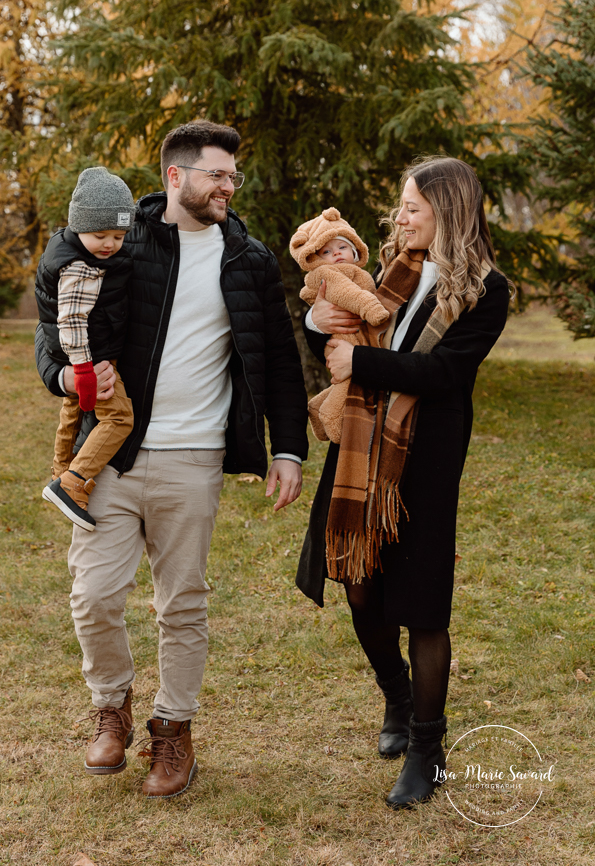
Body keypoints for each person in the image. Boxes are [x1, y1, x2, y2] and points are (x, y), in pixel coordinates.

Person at [35, 120, 308, 798]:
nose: (228, 185)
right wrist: (63, 378)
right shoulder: (124, 247)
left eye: (232, 177)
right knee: (93, 596)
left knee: (181, 604)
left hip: (193, 459)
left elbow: (278, 360)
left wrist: (290, 450)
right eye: (217, 174)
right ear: (175, 178)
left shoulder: (247, 258)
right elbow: (55, 319)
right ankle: (112, 706)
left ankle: (173, 731)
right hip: (113, 456)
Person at [296, 157, 510, 809]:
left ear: (447, 210)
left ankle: (426, 749)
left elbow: (445, 374)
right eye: (401, 205)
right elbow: (335, 326)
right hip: (361, 449)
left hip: (425, 458)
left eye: (413, 205)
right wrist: (319, 328)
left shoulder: (484, 289)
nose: (401, 215)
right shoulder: (390, 271)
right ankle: (394, 693)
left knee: (418, 606)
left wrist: (358, 358)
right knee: (360, 591)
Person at [36, 166, 136, 531]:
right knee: (119, 417)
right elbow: (72, 320)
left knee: (72, 411)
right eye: (100, 235)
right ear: (79, 226)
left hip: (79, 356)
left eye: (119, 236)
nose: (109, 244)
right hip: (88, 359)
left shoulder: (71, 249)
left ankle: (59, 469)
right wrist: (82, 370)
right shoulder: (81, 267)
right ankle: (73, 482)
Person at [289, 206, 389, 443]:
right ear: (315, 258)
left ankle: (317, 406)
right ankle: (333, 423)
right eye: (327, 251)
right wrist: (373, 310)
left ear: (356, 251)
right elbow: (349, 294)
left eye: (342, 247)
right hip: (344, 340)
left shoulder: (359, 271)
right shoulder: (331, 274)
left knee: (345, 383)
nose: (336, 254)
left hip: (354, 340)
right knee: (347, 386)